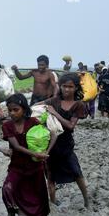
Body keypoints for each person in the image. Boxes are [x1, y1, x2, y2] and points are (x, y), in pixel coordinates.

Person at [1, 94, 55, 216]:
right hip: (17, 166)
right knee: (7, 188)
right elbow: (16, 146)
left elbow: (53, 134)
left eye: (16, 110)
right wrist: (36, 154)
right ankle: (11, 214)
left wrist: (46, 152)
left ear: (24, 109)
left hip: (35, 166)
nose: (12, 113)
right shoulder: (7, 126)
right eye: (10, 110)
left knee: (39, 193)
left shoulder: (34, 123)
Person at [43, 73, 89, 208]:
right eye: (64, 86)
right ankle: (52, 201)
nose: (67, 90)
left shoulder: (78, 105)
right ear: (59, 86)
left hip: (66, 145)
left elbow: (70, 125)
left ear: (76, 88)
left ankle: (86, 200)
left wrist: (54, 113)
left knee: (76, 172)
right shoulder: (54, 101)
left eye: (70, 87)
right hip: (50, 144)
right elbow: (36, 106)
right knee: (50, 175)